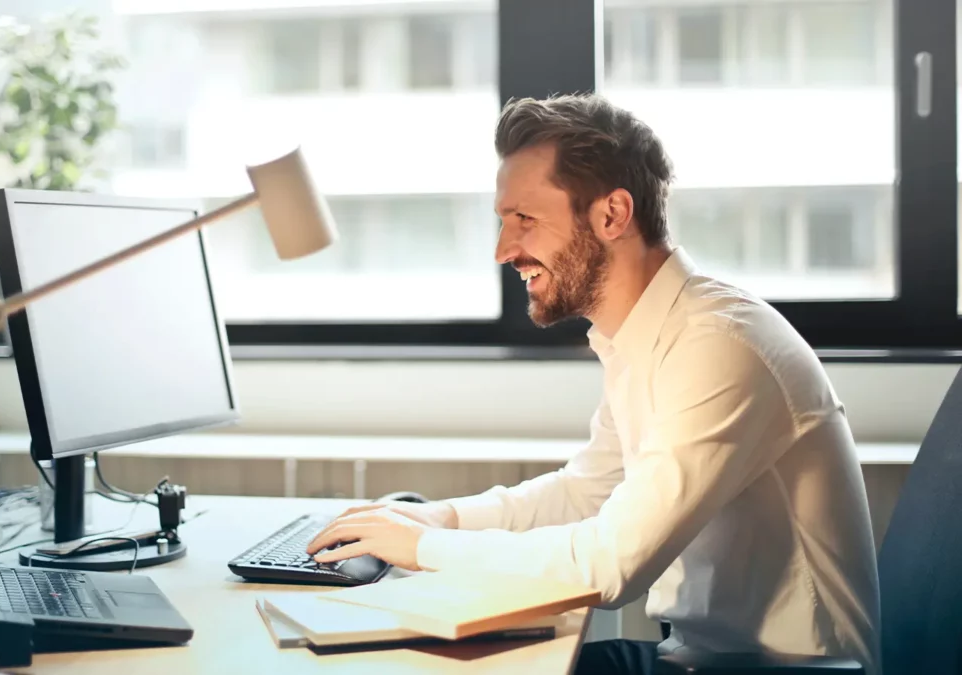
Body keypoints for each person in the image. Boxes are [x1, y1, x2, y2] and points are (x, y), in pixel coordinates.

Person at [306, 93, 881, 675]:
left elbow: (611, 566)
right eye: (503, 222)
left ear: (612, 215)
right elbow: (586, 492)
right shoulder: (645, 335)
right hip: (698, 659)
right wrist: (441, 519)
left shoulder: (719, 347)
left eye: (525, 219)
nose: (504, 249)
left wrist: (422, 550)